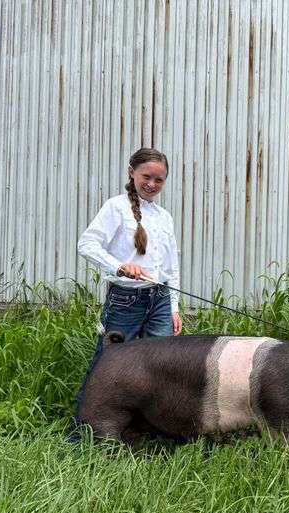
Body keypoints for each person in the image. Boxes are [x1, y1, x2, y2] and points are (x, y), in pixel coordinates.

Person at [71, 147, 182, 433]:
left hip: (159, 300)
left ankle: (148, 431)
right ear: (131, 171)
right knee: (107, 368)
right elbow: (87, 244)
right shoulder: (115, 207)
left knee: (164, 368)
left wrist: (174, 306)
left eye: (160, 180)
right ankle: (82, 434)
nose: (152, 185)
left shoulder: (164, 217)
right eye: (147, 177)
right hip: (125, 301)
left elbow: (171, 267)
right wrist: (119, 265)